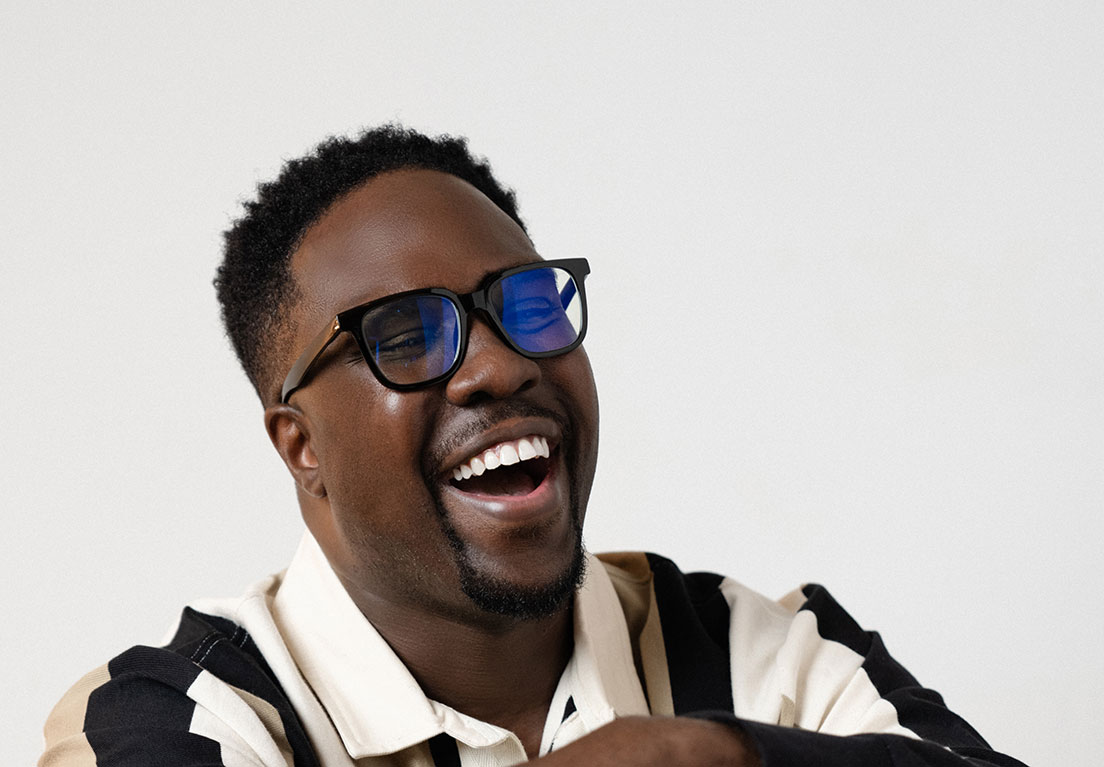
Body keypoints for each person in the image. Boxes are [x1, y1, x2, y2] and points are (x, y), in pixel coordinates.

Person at [40, 125, 1028, 767]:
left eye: (526, 304)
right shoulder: (171, 717)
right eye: (406, 335)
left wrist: (705, 754)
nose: (500, 365)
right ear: (300, 445)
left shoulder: (755, 652)